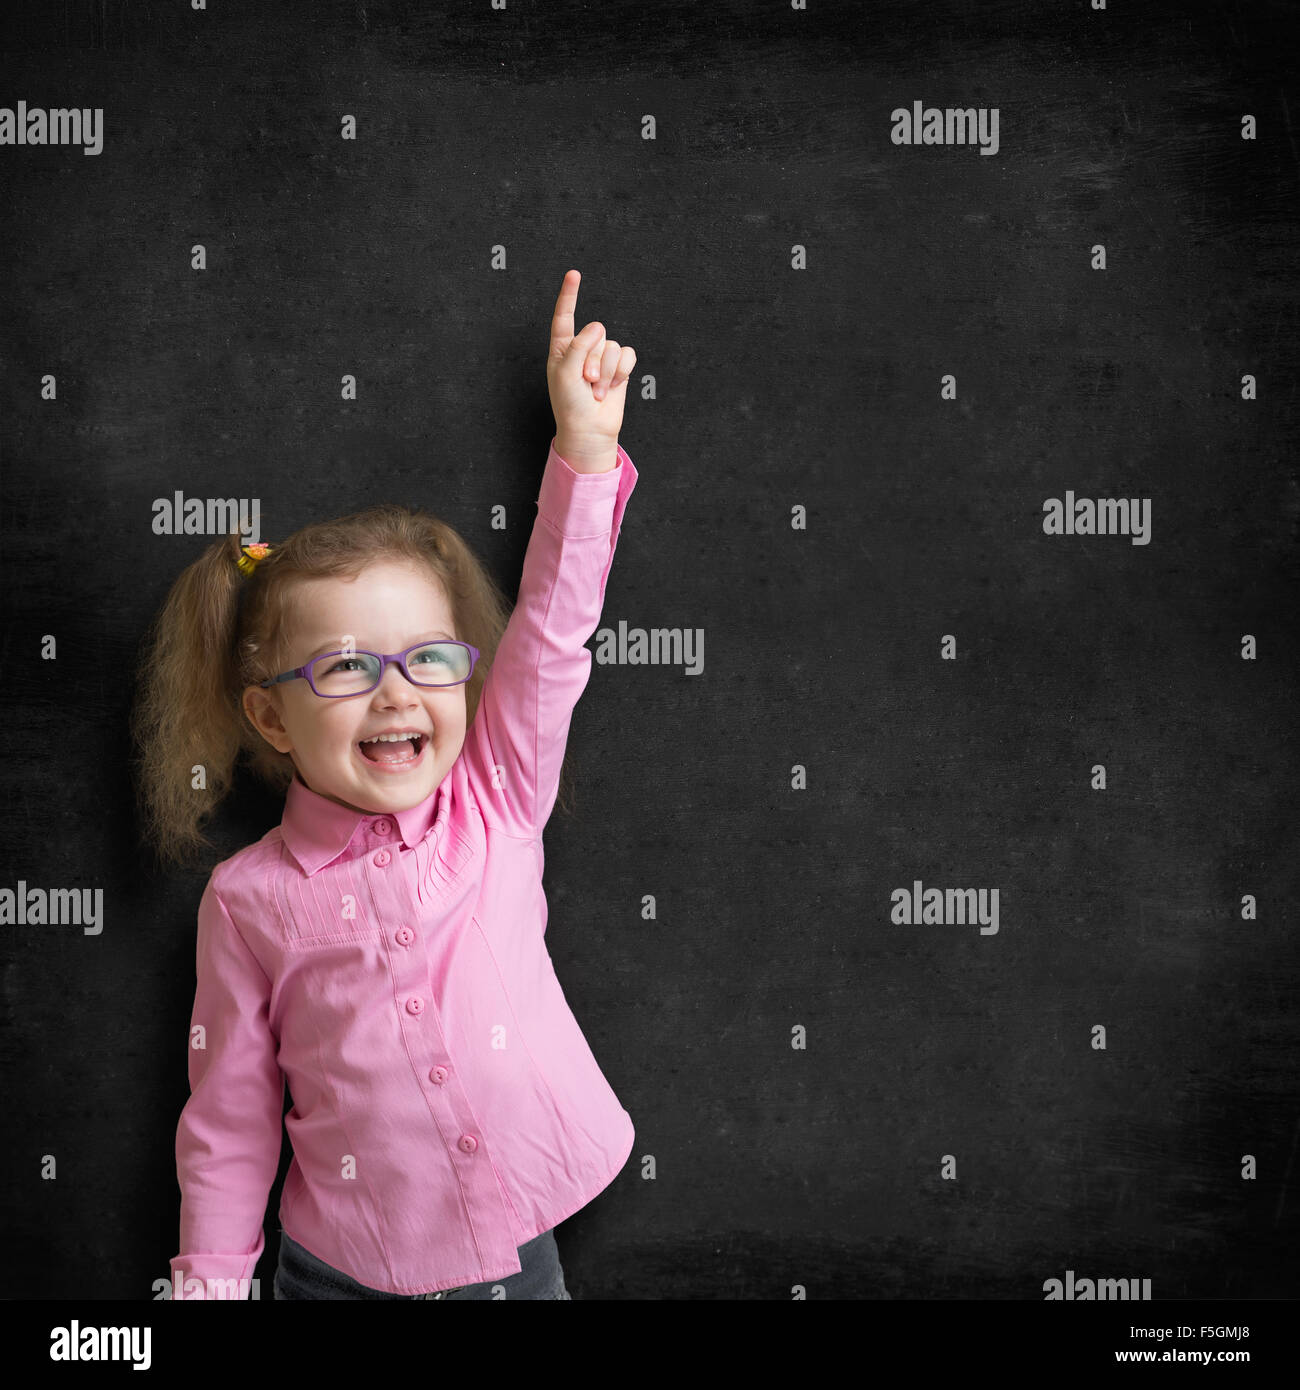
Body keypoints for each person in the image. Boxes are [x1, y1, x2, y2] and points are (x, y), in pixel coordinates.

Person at [134, 271, 638, 1299]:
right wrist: (211, 1281)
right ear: (271, 715)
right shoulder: (247, 899)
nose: (397, 693)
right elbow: (229, 1114)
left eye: (427, 658)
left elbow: (550, 628)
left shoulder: (496, 794)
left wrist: (583, 451)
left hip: (516, 1261)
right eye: (348, 668)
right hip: (340, 1273)